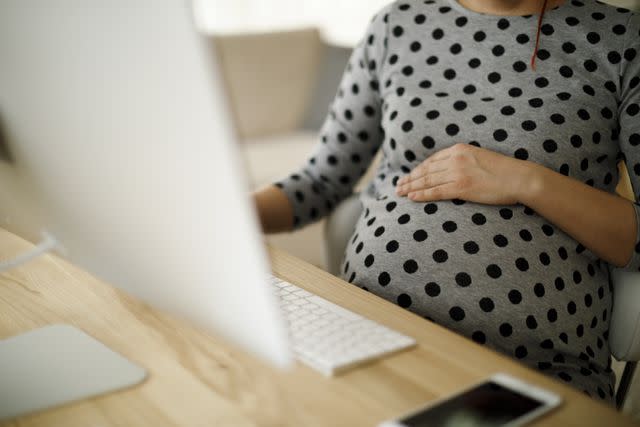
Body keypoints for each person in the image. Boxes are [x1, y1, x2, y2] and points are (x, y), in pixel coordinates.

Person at [253, 0, 640, 403]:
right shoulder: (396, 26)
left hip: (529, 371)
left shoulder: (621, 40)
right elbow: (321, 179)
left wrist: (527, 181)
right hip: (364, 338)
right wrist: (220, 214)